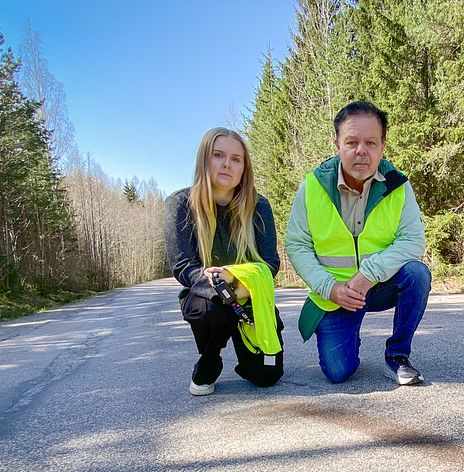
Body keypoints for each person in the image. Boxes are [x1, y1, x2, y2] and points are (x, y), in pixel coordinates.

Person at [285, 101, 431, 385]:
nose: (361, 150)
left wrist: (369, 274)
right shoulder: (312, 186)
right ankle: (348, 334)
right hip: (335, 294)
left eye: (371, 142)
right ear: (337, 143)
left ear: (382, 146)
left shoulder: (398, 185)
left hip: (380, 284)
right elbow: (297, 244)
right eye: (352, 141)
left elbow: (413, 240)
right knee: (338, 372)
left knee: (417, 274)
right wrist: (329, 287)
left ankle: (398, 355)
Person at [165, 127, 284, 396]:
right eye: (218, 155)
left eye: (236, 158)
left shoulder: (259, 206)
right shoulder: (180, 204)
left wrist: (237, 286)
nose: (226, 164)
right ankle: (210, 358)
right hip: (206, 296)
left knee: (267, 375)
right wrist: (220, 286)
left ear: (244, 167)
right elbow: (183, 266)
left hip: (250, 295)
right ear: (204, 159)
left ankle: (247, 354)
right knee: (215, 309)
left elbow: (270, 262)